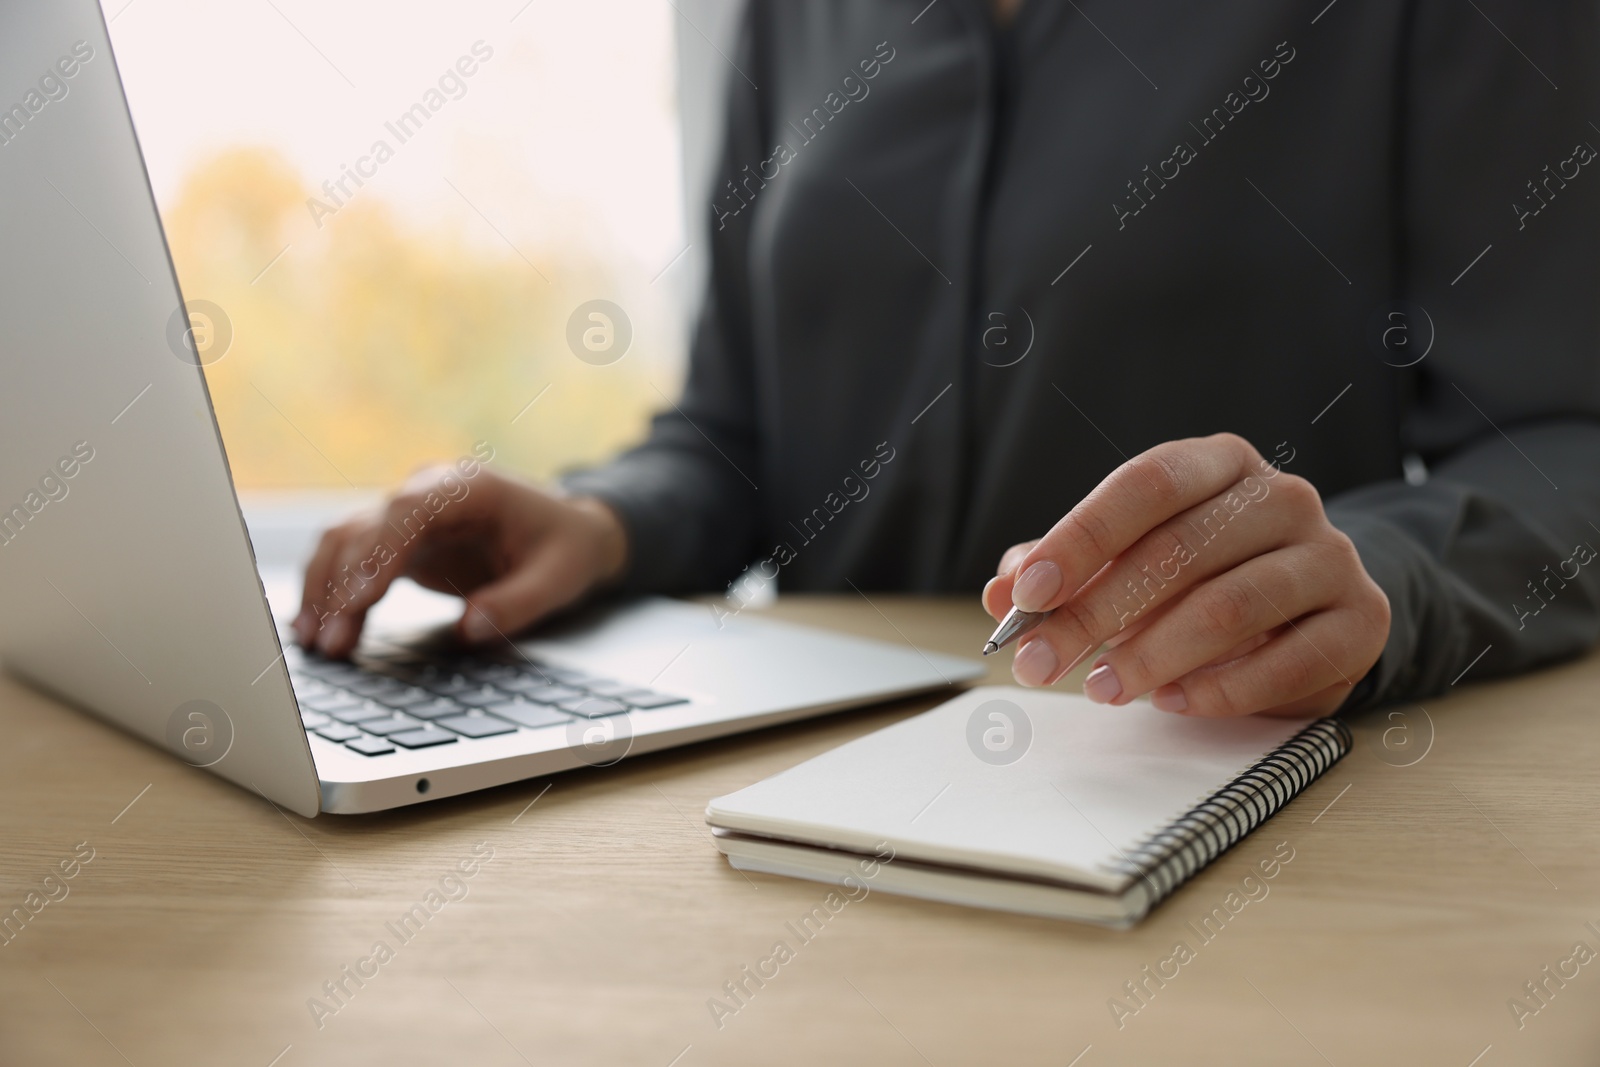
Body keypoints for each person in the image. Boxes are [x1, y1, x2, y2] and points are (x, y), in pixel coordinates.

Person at [296, 0, 1600, 719]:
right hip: (793, 794)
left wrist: (1373, 579)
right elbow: (735, 437)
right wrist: (600, 522)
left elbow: (1566, 444)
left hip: (1196, 773)